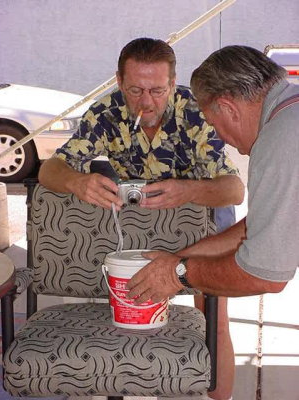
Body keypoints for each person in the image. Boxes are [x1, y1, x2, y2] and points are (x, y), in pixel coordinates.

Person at [39, 38, 244, 400]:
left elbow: (233, 190)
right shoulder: (105, 113)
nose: (146, 102)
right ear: (119, 81)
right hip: (139, 219)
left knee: (214, 317)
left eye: (157, 90)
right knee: (129, 307)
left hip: (202, 214)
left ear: (173, 81)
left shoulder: (196, 111)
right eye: (134, 90)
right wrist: (76, 181)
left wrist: (190, 190)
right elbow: (50, 170)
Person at [126, 45, 299, 397]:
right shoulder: (290, 112)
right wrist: (185, 256)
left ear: (227, 107)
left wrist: (178, 274)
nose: (219, 136)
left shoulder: (280, 140)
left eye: (214, 122)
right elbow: (258, 229)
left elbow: (264, 274)